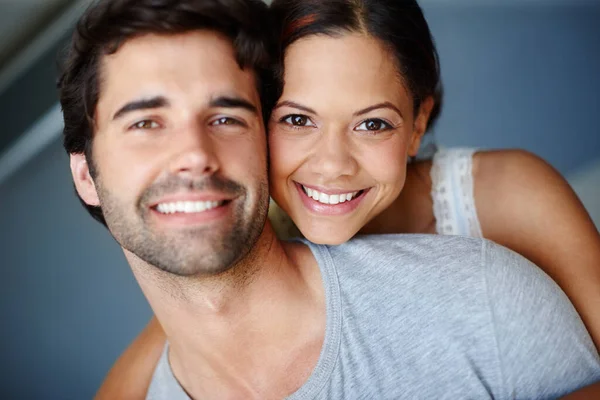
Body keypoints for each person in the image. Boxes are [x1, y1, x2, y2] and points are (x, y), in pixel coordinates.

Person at [57, 0, 600, 399]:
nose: (332, 164)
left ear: (418, 125)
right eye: (296, 119)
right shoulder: (246, 222)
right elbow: (190, 305)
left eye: (372, 123)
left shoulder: (499, 209)